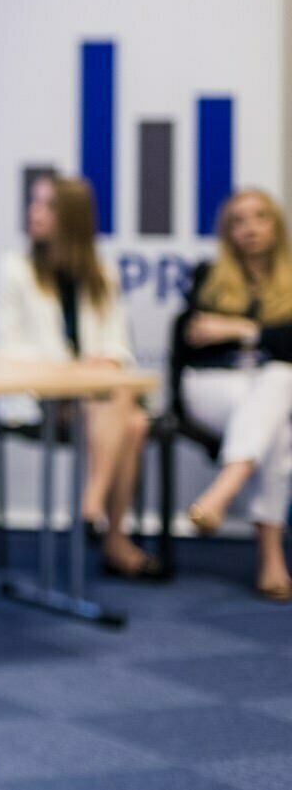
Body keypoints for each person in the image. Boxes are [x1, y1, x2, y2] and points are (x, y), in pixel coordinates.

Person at [0, 174, 158, 579]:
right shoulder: (16, 269)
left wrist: (104, 363)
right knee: (125, 412)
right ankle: (109, 533)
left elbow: (119, 345)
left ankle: (92, 508)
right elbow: (7, 346)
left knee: (133, 421)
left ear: (72, 218)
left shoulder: (102, 273)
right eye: (33, 203)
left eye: (47, 205)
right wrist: (74, 368)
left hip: (95, 399)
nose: (34, 213)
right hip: (42, 396)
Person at [172, 188, 292, 602]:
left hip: (266, 391)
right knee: (277, 395)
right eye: (238, 221)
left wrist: (240, 329)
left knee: (278, 397)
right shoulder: (209, 276)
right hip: (210, 387)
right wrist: (267, 335)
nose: (250, 229)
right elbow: (188, 341)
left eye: (260, 217)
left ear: (276, 224)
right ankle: (272, 560)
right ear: (227, 232)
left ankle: (219, 495)